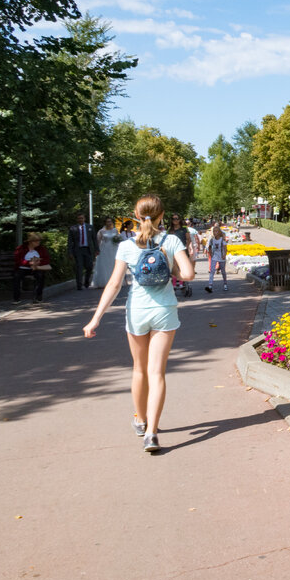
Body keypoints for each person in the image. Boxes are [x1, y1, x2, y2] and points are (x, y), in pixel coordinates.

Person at [83, 194, 193, 454]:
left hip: (137, 313)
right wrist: (172, 270)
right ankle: (152, 434)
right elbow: (187, 275)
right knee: (157, 373)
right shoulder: (172, 241)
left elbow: (113, 284)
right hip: (164, 312)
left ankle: (140, 420)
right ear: (162, 216)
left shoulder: (127, 245)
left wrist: (95, 318)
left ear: (135, 214)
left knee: (139, 370)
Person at [12, 233, 51, 303]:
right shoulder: (21, 248)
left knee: (40, 275)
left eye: (39, 240)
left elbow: (46, 259)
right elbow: (18, 260)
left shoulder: (42, 249)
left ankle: (38, 296)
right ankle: (16, 298)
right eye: (36, 241)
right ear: (30, 242)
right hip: (23, 268)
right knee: (16, 276)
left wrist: (38, 263)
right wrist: (29, 263)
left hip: (36, 268)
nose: (38, 242)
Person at [67, 212, 97, 290]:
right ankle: (79, 285)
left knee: (89, 267)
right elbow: (70, 241)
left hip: (88, 250)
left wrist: (97, 249)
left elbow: (94, 239)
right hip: (78, 250)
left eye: (82, 218)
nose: (80, 220)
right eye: (79, 218)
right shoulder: (73, 228)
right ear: (77, 219)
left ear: (84, 219)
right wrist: (70, 252)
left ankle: (86, 282)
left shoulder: (90, 227)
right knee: (79, 268)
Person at [92, 217, 121, 288]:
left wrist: (117, 240)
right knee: (104, 265)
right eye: (108, 222)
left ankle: (115, 281)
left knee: (113, 264)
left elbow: (118, 239)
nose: (109, 223)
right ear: (105, 223)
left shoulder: (115, 230)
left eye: (110, 221)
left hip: (114, 249)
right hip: (104, 249)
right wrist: (97, 250)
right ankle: (104, 281)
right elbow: (98, 241)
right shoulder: (101, 231)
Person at [204, 223, 229, 293]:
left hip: (221, 257)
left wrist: (224, 255)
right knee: (212, 271)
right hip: (214, 257)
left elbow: (225, 248)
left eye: (216, 231)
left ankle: (225, 284)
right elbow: (209, 246)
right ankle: (210, 285)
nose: (215, 233)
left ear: (219, 232)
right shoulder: (212, 240)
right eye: (214, 231)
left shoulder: (222, 240)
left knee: (223, 272)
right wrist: (211, 254)